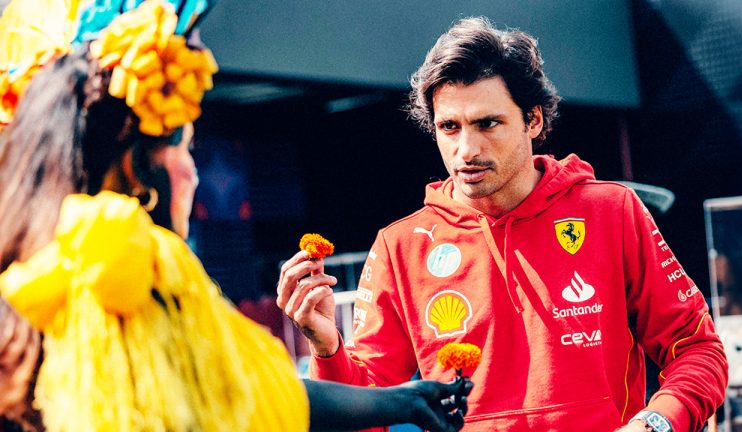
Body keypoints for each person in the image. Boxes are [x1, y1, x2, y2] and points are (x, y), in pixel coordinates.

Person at [0, 1, 472, 431]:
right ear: (138, 168)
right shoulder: (129, 266)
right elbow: (240, 397)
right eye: (186, 149)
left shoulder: (34, 257)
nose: (193, 173)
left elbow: (248, 386)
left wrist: (404, 401)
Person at [277, 16, 728, 432]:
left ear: (533, 120)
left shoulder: (611, 211)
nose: (466, 150)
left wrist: (656, 423)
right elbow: (366, 410)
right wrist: (327, 346)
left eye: (487, 123)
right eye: (449, 127)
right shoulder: (400, 246)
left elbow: (697, 349)